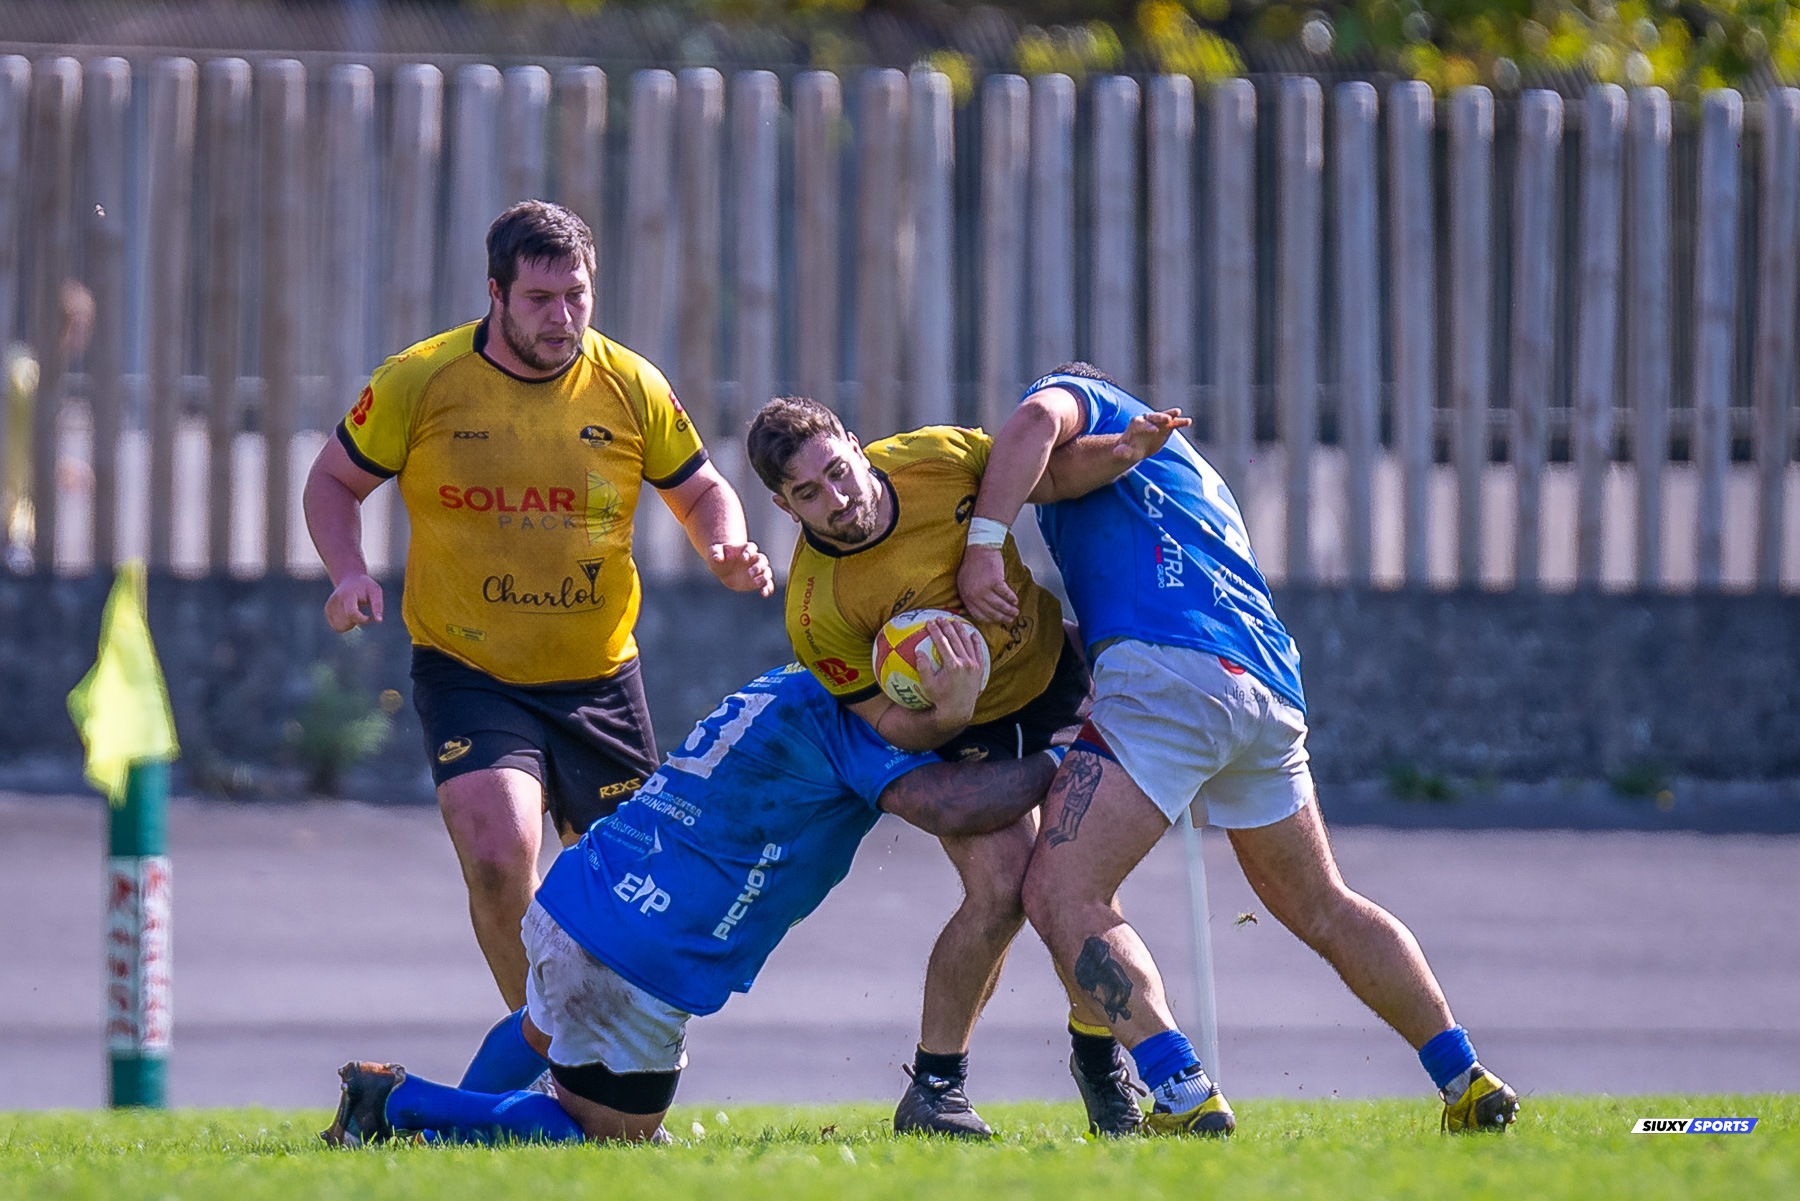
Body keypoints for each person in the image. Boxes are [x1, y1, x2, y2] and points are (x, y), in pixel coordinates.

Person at [957, 362, 1521, 1136]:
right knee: (1324, 904)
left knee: (1060, 894)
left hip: (1171, 674)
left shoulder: (1089, 403)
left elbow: (1028, 429)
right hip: (1265, 683)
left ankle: (1181, 1089)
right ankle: (1466, 1076)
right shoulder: (1189, 476)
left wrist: (984, 544)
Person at [321, 624, 1057, 1146]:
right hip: (638, 953)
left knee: (543, 1026)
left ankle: (431, 1128)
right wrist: (1061, 758)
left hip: (584, 894)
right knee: (611, 1137)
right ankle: (398, 1102)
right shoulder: (854, 723)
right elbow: (952, 805)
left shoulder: (795, 682)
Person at [303, 201, 773, 1014]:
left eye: (577, 297)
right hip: (470, 668)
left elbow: (700, 489)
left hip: (599, 679)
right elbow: (332, 481)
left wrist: (724, 544)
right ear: (495, 293)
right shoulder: (421, 380)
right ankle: (546, 1044)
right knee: (498, 848)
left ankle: (618, 1076)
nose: (562, 319)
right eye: (539, 300)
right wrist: (346, 573)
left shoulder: (630, 384)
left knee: (632, 898)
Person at [743, 398, 1139, 1139]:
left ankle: (1098, 1057)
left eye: (837, 471)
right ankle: (935, 1090)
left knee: (1080, 883)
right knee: (999, 892)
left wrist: (1120, 452)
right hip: (958, 732)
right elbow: (891, 726)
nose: (837, 499)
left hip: (1056, 675)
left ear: (856, 446)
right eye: (808, 494)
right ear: (780, 504)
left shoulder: (933, 456)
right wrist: (950, 711)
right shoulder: (815, 609)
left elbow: (1041, 476)